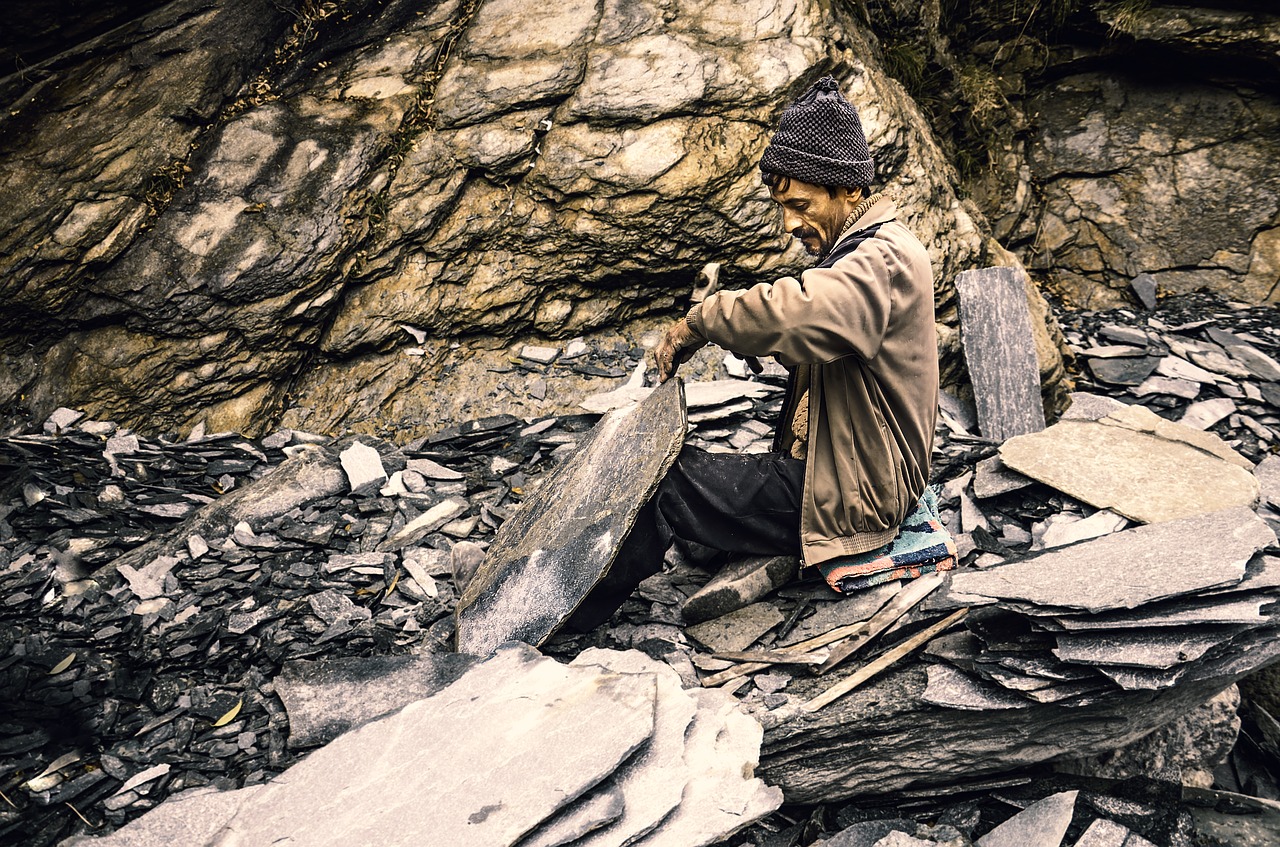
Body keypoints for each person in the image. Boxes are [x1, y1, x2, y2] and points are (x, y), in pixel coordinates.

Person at [567, 75, 942, 631]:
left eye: (801, 204)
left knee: (660, 482)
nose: (789, 223)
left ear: (850, 191)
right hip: (844, 476)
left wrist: (701, 321)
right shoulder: (864, 252)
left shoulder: (881, 259)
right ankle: (704, 544)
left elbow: (797, 311)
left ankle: (565, 614)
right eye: (781, 206)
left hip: (856, 496)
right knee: (689, 476)